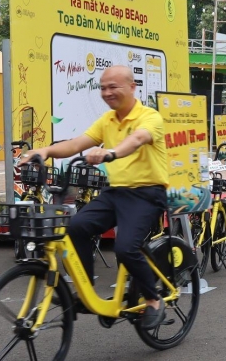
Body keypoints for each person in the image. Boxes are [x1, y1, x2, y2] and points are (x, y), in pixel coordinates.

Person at [25, 65, 170, 329]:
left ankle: (153, 299)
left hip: (147, 194)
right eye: (103, 87)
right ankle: (86, 289)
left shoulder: (149, 117)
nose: (107, 92)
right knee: (76, 227)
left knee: (125, 247)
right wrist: (45, 150)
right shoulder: (107, 120)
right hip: (116, 192)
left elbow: (137, 139)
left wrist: (110, 153)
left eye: (113, 86)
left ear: (132, 87)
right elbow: (76, 144)